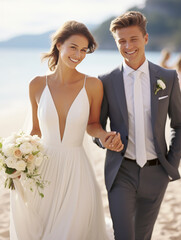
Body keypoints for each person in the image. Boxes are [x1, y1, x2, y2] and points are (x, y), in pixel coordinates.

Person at [10, 20, 123, 240]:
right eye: (74, 47)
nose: (79, 55)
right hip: (43, 170)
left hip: (76, 169)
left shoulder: (92, 85)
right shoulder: (36, 84)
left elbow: (93, 125)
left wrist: (104, 136)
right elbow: (35, 130)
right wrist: (18, 160)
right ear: (59, 44)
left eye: (83, 50)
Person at [92, 11, 181, 240]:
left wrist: (170, 163)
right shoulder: (106, 81)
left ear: (146, 39)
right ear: (116, 43)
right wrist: (104, 139)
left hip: (157, 172)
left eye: (133, 39)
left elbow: (179, 124)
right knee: (123, 235)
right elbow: (96, 126)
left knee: (143, 236)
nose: (128, 45)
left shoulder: (168, 78)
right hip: (121, 172)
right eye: (122, 41)